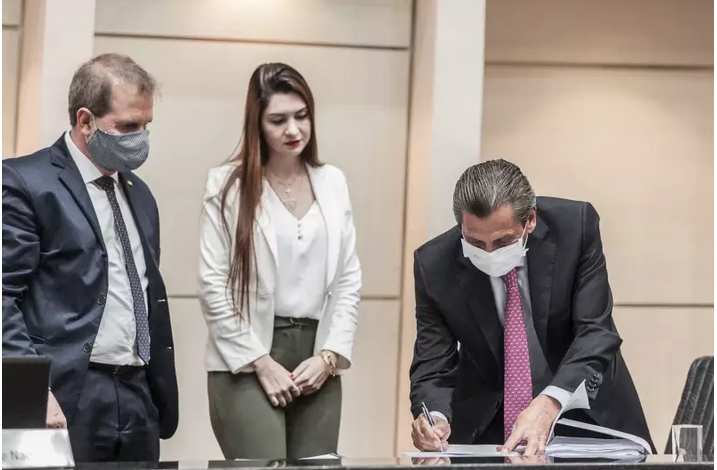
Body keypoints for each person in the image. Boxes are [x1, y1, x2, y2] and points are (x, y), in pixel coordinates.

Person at [409, 159, 654, 456]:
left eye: (503, 241)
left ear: (531, 219)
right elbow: (433, 364)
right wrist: (434, 417)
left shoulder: (574, 228)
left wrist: (551, 400)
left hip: (586, 416)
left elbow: (595, 331)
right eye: (475, 243)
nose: (489, 253)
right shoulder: (434, 264)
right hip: (489, 427)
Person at [2, 53, 178, 462]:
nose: (140, 138)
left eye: (146, 126)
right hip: (66, 394)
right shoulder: (26, 182)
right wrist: (33, 391)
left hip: (137, 392)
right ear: (85, 121)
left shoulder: (140, 194)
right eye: (128, 126)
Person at [198, 63, 361, 459]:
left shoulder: (332, 182)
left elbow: (348, 280)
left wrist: (329, 357)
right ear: (257, 123)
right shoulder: (226, 185)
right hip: (244, 357)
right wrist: (260, 362)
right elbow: (212, 285)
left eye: (302, 116)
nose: (293, 130)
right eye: (278, 120)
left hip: (317, 358)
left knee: (319, 466)